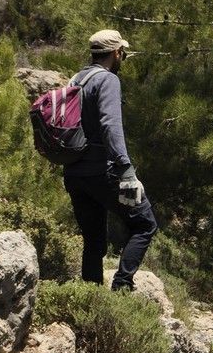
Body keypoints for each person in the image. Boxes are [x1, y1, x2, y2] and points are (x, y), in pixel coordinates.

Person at [63, 29, 157, 290]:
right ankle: (122, 287)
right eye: (122, 53)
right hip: (105, 174)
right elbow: (110, 125)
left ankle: (91, 298)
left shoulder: (76, 79)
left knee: (93, 240)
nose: (122, 57)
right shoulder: (107, 80)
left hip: (75, 174)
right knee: (143, 224)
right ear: (116, 53)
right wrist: (126, 169)